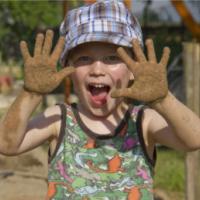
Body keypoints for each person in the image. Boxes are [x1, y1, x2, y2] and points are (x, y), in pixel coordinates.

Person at [0, 0, 200, 199]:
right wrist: (30, 94)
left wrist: (163, 100)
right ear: (68, 69)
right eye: (84, 59)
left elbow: (194, 139)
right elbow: (7, 145)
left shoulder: (142, 121)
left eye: (112, 58)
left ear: (133, 68)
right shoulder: (59, 120)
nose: (97, 70)